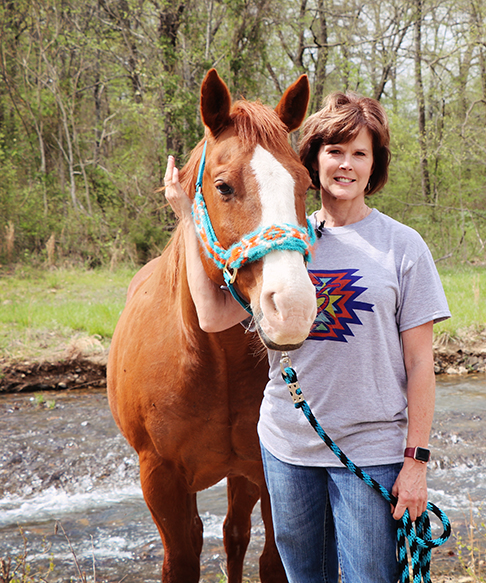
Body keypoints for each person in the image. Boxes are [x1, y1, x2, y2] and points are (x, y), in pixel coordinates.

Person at [164, 90, 450, 583]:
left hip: (371, 452)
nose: (346, 165)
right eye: (334, 151)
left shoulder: (403, 247)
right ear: (313, 158)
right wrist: (189, 216)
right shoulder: (284, 244)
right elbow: (211, 316)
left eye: (360, 153)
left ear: (373, 164)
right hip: (288, 448)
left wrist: (416, 462)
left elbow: (422, 365)